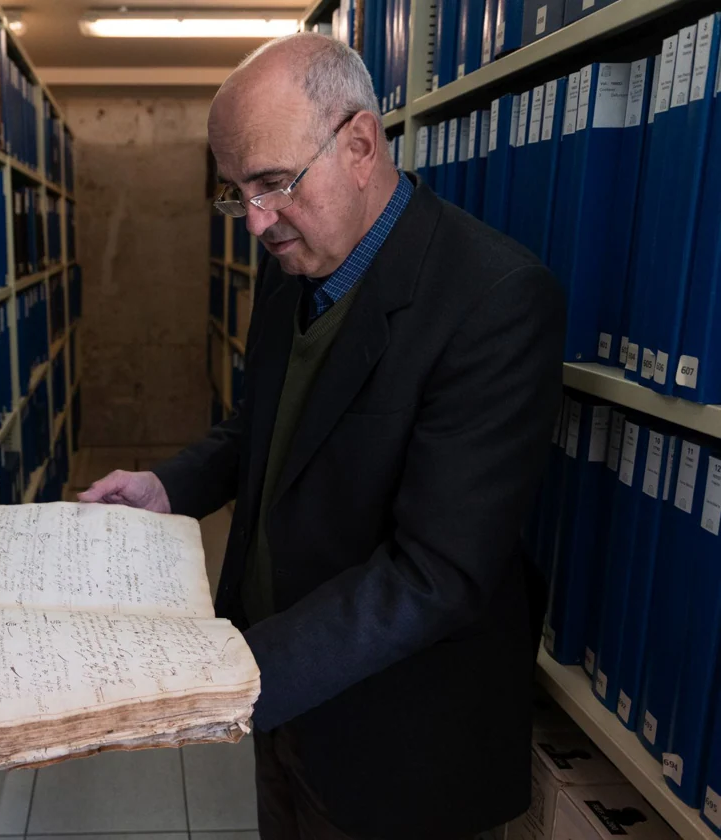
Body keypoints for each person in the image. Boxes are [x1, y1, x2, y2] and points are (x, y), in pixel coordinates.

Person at [78, 32, 566, 840]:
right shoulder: (293, 267)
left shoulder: (495, 301)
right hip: (284, 712)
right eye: (237, 194)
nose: (256, 223)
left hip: (399, 751)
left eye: (272, 184)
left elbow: (436, 573)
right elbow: (263, 429)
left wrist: (239, 671)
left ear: (361, 144)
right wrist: (169, 488)